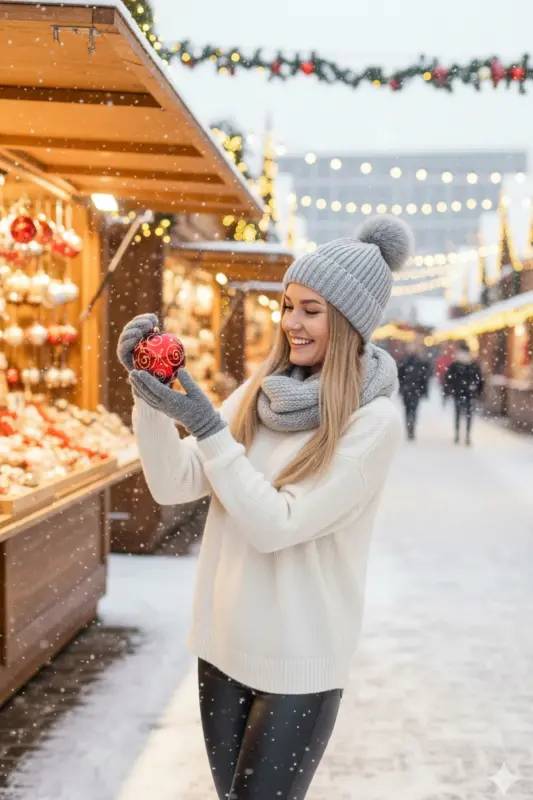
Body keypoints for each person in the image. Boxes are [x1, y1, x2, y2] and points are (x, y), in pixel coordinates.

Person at [117, 215, 412, 800]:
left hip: (298, 662)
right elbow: (174, 483)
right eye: (288, 305)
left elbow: (278, 525)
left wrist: (206, 426)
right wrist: (148, 395)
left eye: (312, 310)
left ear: (349, 321)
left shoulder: (371, 423)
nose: (292, 323)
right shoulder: (262, 392)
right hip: (222, 647)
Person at [444, 342, 484, 446]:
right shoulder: (472, 365)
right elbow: (479, 380)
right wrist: (478, 391)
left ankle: (460, 434)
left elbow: (448, 379)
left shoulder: (456, 365)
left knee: (459, 414)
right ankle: (465, 435)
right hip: (468, 393)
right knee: (468, 415)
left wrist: (450, 389)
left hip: (460, 393)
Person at [397, 341, 431, 440]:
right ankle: (410, 427)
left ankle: (410, 427)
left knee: (409, 410)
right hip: (412, 390)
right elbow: (400, 377)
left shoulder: (406, 362)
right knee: (411, 410)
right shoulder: (406, 362)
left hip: (411, 390)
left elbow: (424, 379)